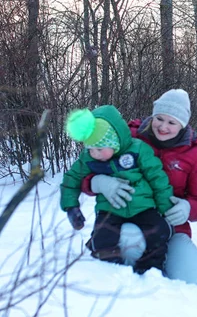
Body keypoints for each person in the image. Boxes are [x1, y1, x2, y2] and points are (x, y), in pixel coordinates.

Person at [80, 89, 197, 286]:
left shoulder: (195, 153)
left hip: (172, 229)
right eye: (159, 118)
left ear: (182, 124)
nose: (163, 127)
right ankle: (122, 270)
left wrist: (188, 208)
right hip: (126, 219)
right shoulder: (128, 136)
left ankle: (158, 262)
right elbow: (86, 169)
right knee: (129, 239)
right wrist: (97, 182)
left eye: (172, 122)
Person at [61, 105, 173, 275]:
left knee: (158, 232)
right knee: (102, 235)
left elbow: (157, 178)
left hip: (142, 205)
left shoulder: (138, 150)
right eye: (90, 148)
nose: (94, 153)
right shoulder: (88, 158)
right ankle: (111, 267)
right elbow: (72, 179)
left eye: (99, 148)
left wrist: (165, 208)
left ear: (113, 142)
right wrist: (71, 207)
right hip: (109, 208)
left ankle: (151, 267)